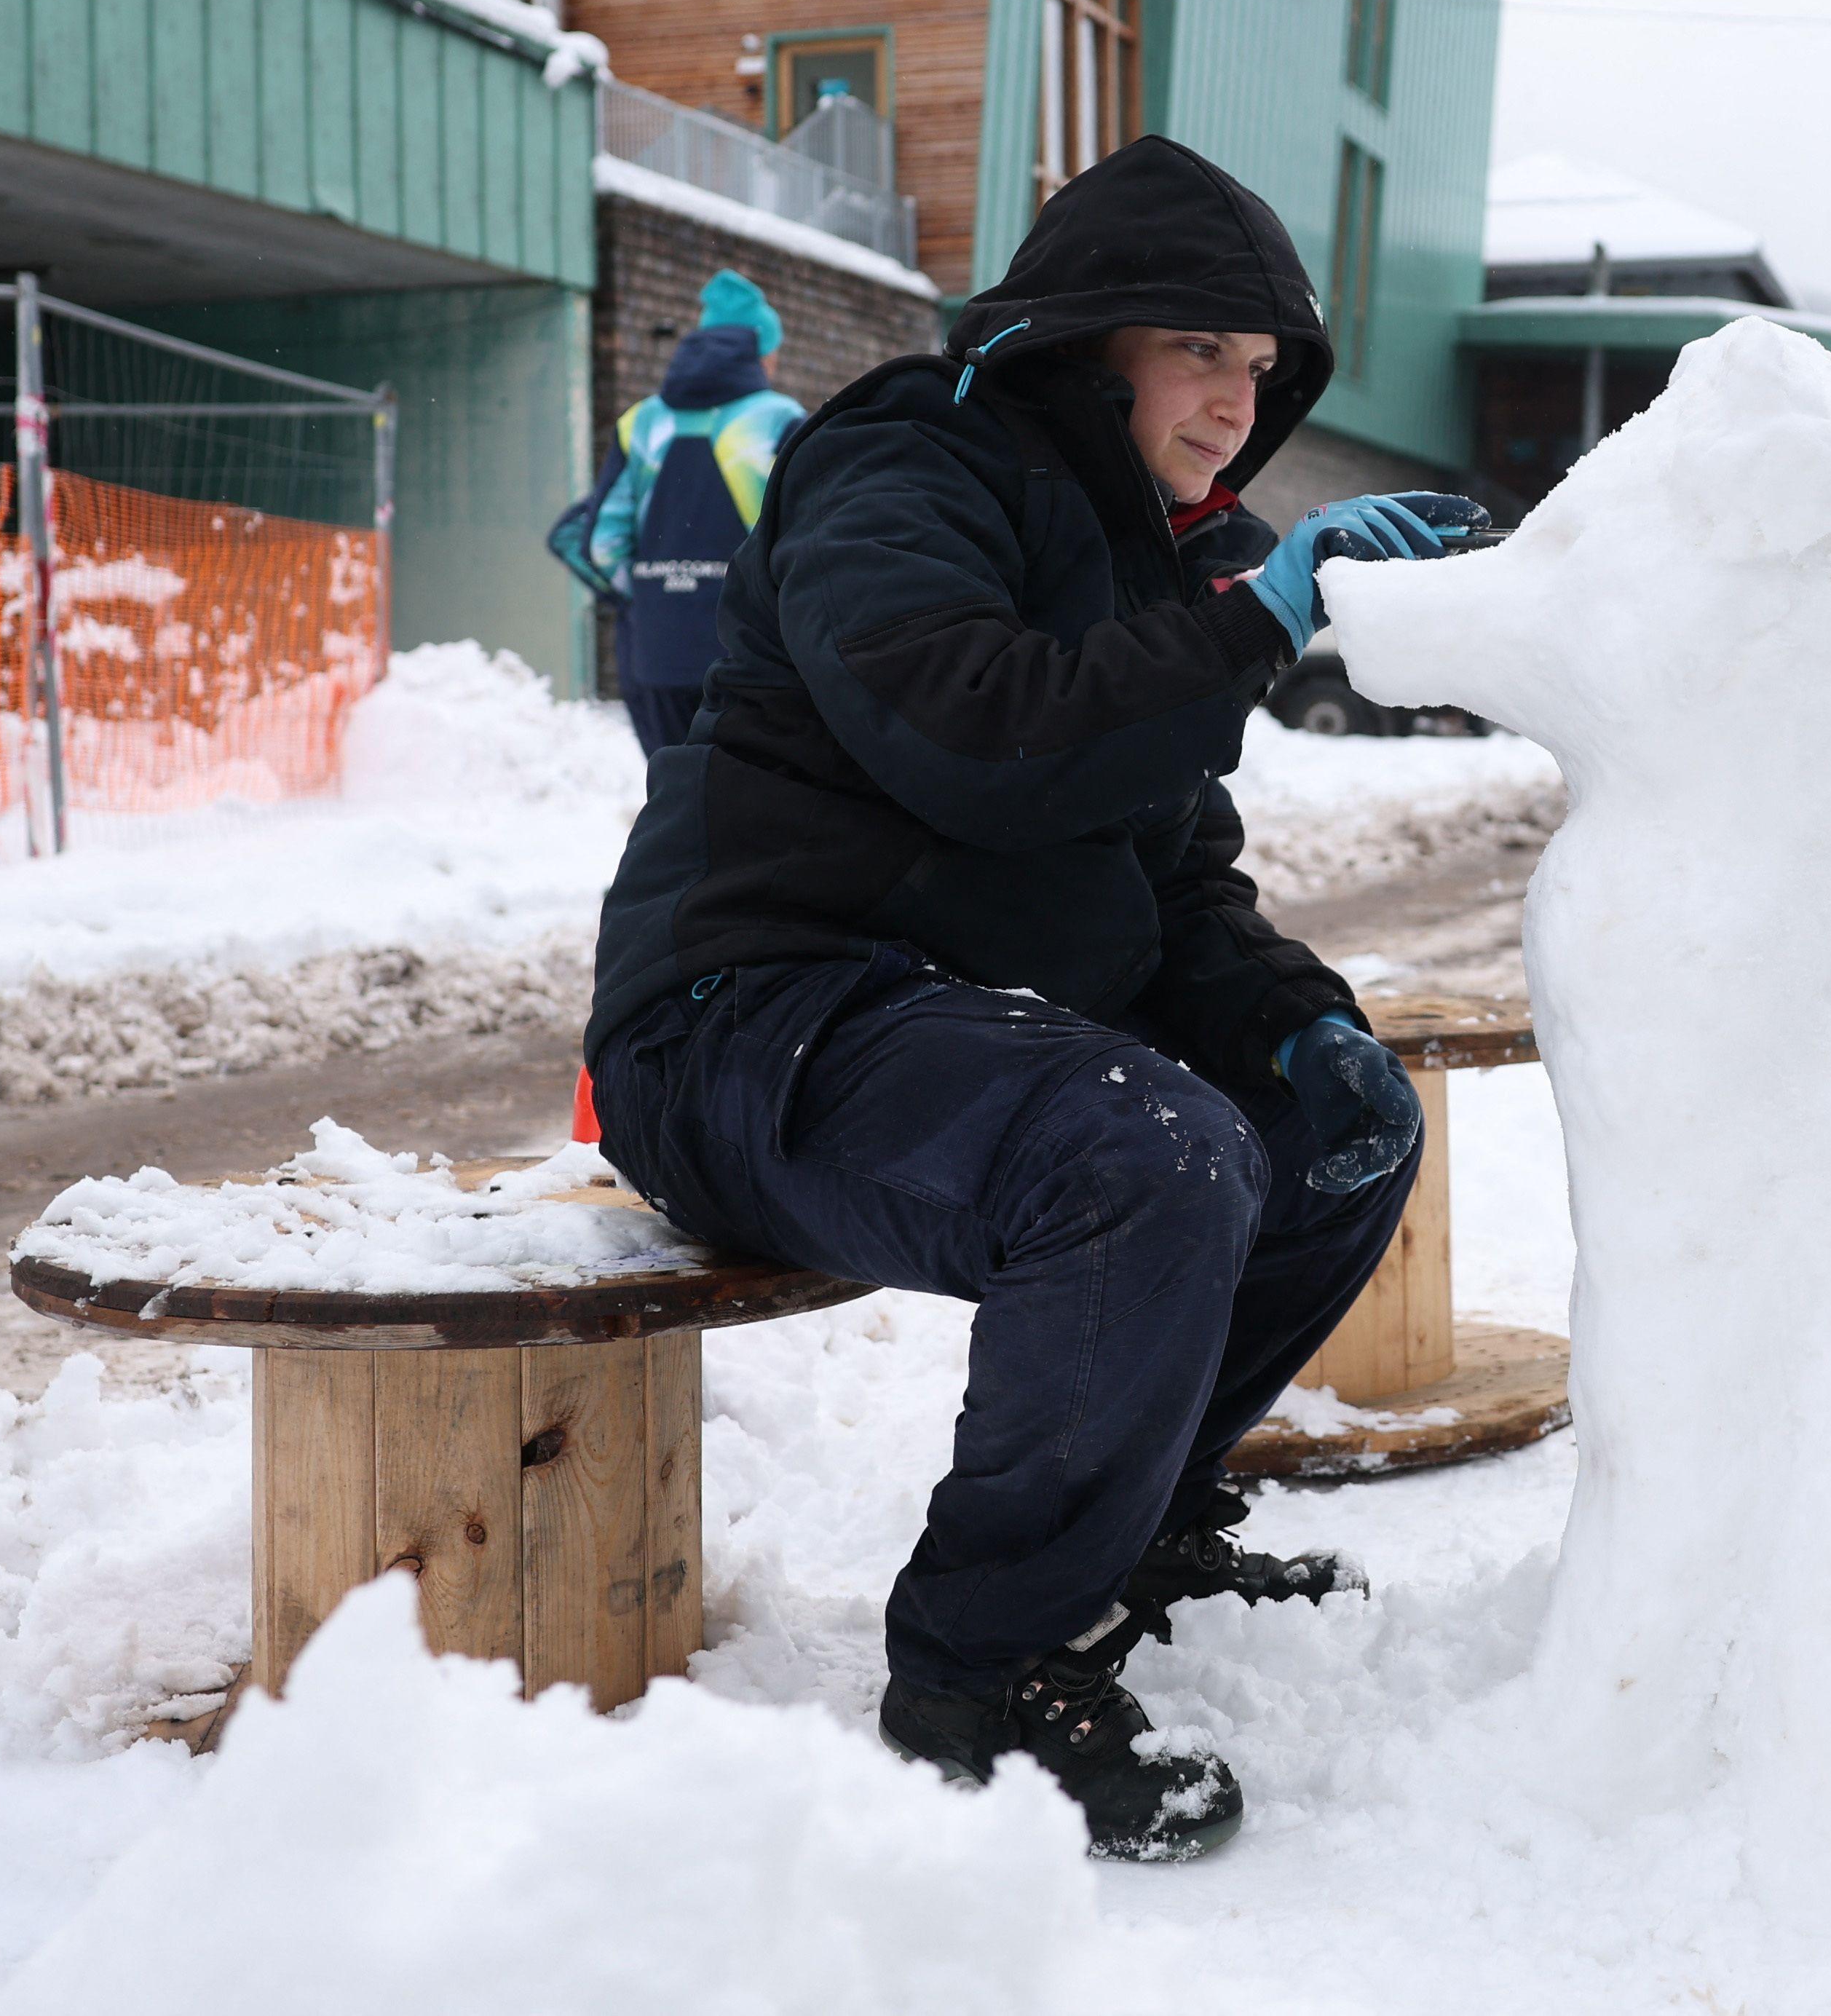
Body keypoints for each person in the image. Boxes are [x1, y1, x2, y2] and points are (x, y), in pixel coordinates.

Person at [583, 136, 1484, 1862]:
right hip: (750, 1016)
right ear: (1093, 336)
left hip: (941, 1025)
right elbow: (972, 721)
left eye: (1264, 366)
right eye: (1200, 348)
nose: (1237, 401)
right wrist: (1256, 621)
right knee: (1146, 1154)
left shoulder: (1146, 563)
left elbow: (1174, 887)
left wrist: (1299, 1021)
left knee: (1321, 1127)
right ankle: (985, 1674)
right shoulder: (905, 463)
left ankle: (1133, 1524)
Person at [580, 269, 807, 754]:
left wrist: (652, 598)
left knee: (674, 804)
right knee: (750, 808)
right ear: (761, 352)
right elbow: (805, 537)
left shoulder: (641, 421)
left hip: (657, 653)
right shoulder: (778, 419)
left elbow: (601, 542)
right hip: (752, 657)